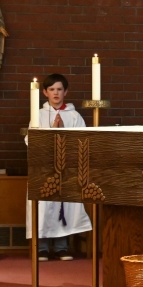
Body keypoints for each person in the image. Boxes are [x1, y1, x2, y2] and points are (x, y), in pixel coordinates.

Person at [25, 74, 92, 261]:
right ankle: (42, 248)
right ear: (45, 92)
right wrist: (53, 133)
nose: (56, 93)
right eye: (52, 89)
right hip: (45, 169)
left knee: (65, 205)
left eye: (59, 89)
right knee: (44, 207)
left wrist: (63, 133)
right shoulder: (37, 115)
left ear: (66, 92)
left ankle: (62, 246)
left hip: (66, 170)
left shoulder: (74, 115)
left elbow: (82, 143)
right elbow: (31, 141)